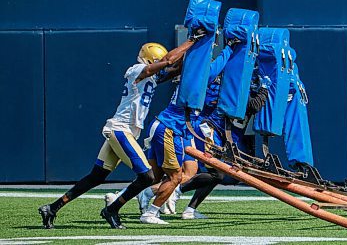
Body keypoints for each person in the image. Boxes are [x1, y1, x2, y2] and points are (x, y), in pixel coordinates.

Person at [38, 28, 206, 230]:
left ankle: (52, 208)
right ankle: (112, 210)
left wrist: (197, 49)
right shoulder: (136, 69)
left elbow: (175, 67)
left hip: (123, 131)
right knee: (147, 177)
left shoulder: (150, 78)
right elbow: (169, 61)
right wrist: (191, 39)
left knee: (96, 177)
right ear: (152, 60)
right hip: (120, 130)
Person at [138, 40, 237, 224]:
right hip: (170, 127)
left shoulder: (190, 73)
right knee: (173, 177)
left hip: (178, 128)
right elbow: (213, 70)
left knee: (172, 175)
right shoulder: (197, 77)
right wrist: (229, 48)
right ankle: (149, 210)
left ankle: (142, 199)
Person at [169, 72, 270, 219]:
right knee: (218, 173)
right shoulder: (240, 84)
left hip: (226, 135)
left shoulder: (247, 85)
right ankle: (176, 190)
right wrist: (265, 90)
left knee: (217, 175)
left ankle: (190, 209)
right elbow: (253, 105)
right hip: (213, 130)